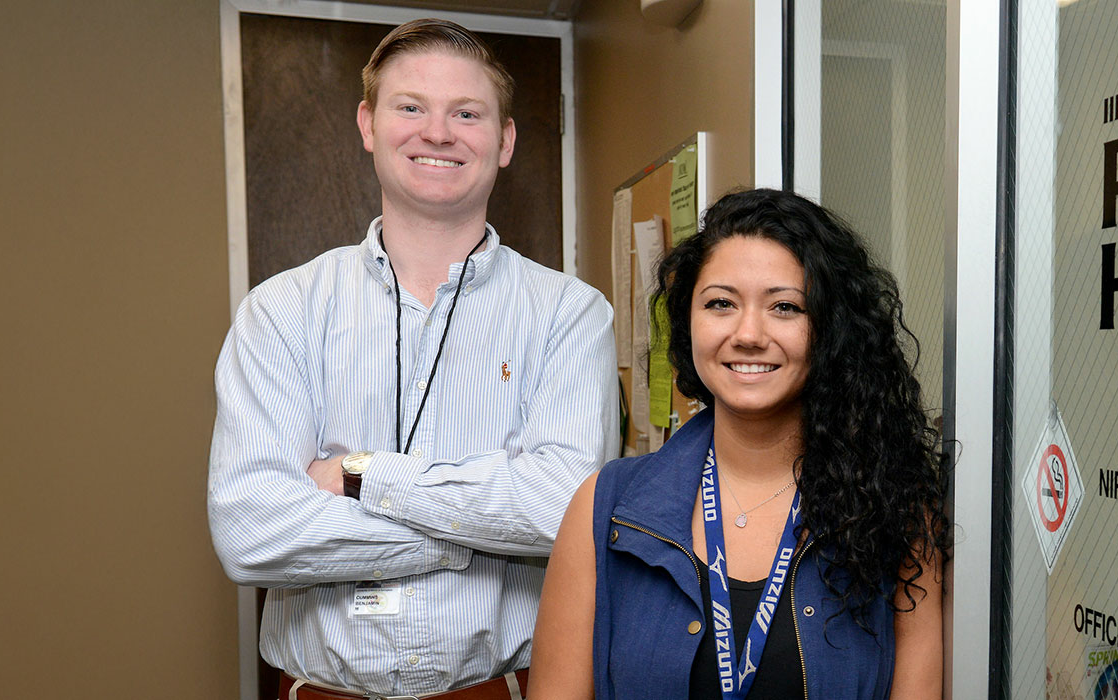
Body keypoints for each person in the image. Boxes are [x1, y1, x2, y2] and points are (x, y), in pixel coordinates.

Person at [207, 18, 619, 699]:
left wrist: (363, 476)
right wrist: (476, 536)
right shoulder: (282, 311)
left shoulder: (569, 316)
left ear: (505, 139)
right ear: (369, 125)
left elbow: (559, 511)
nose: (438, 132)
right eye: (411, 108)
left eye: (467, 113)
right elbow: (250, 531)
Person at [527, 189, 950, 699]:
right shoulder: (605, 509)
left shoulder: (896, 513)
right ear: (688, 322)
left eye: (785, 307)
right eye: (721, 303)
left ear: (832, 330)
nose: (749, 333)